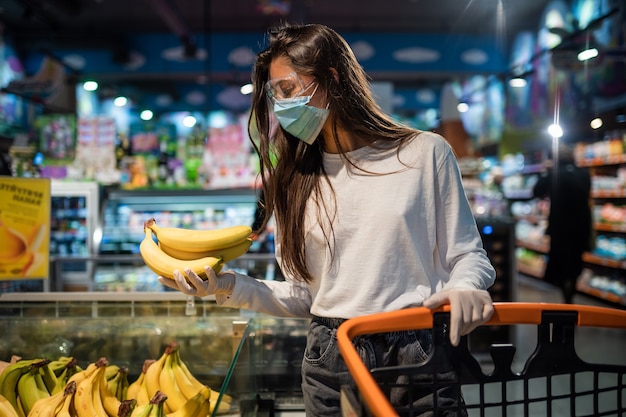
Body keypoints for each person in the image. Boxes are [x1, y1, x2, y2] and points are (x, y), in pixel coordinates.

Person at [159, 23, 496, 416]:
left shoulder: (424, 154)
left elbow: (469, 254)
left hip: (417, 353)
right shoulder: (292, 179)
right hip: (330, 355)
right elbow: (305, 296)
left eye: (287, 90)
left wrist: (466, 286)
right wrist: (225, 286)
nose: (281, 106)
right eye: (275, 95)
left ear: (331, 80)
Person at [533, 143, 592, 304]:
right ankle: (570, 294)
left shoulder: (555, 174)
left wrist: (546, 171)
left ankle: (565, 294)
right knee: (575, 262)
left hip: (560, 226)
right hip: (581, 226)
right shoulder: (584, 173)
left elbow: (536, 191)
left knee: (560, 263)